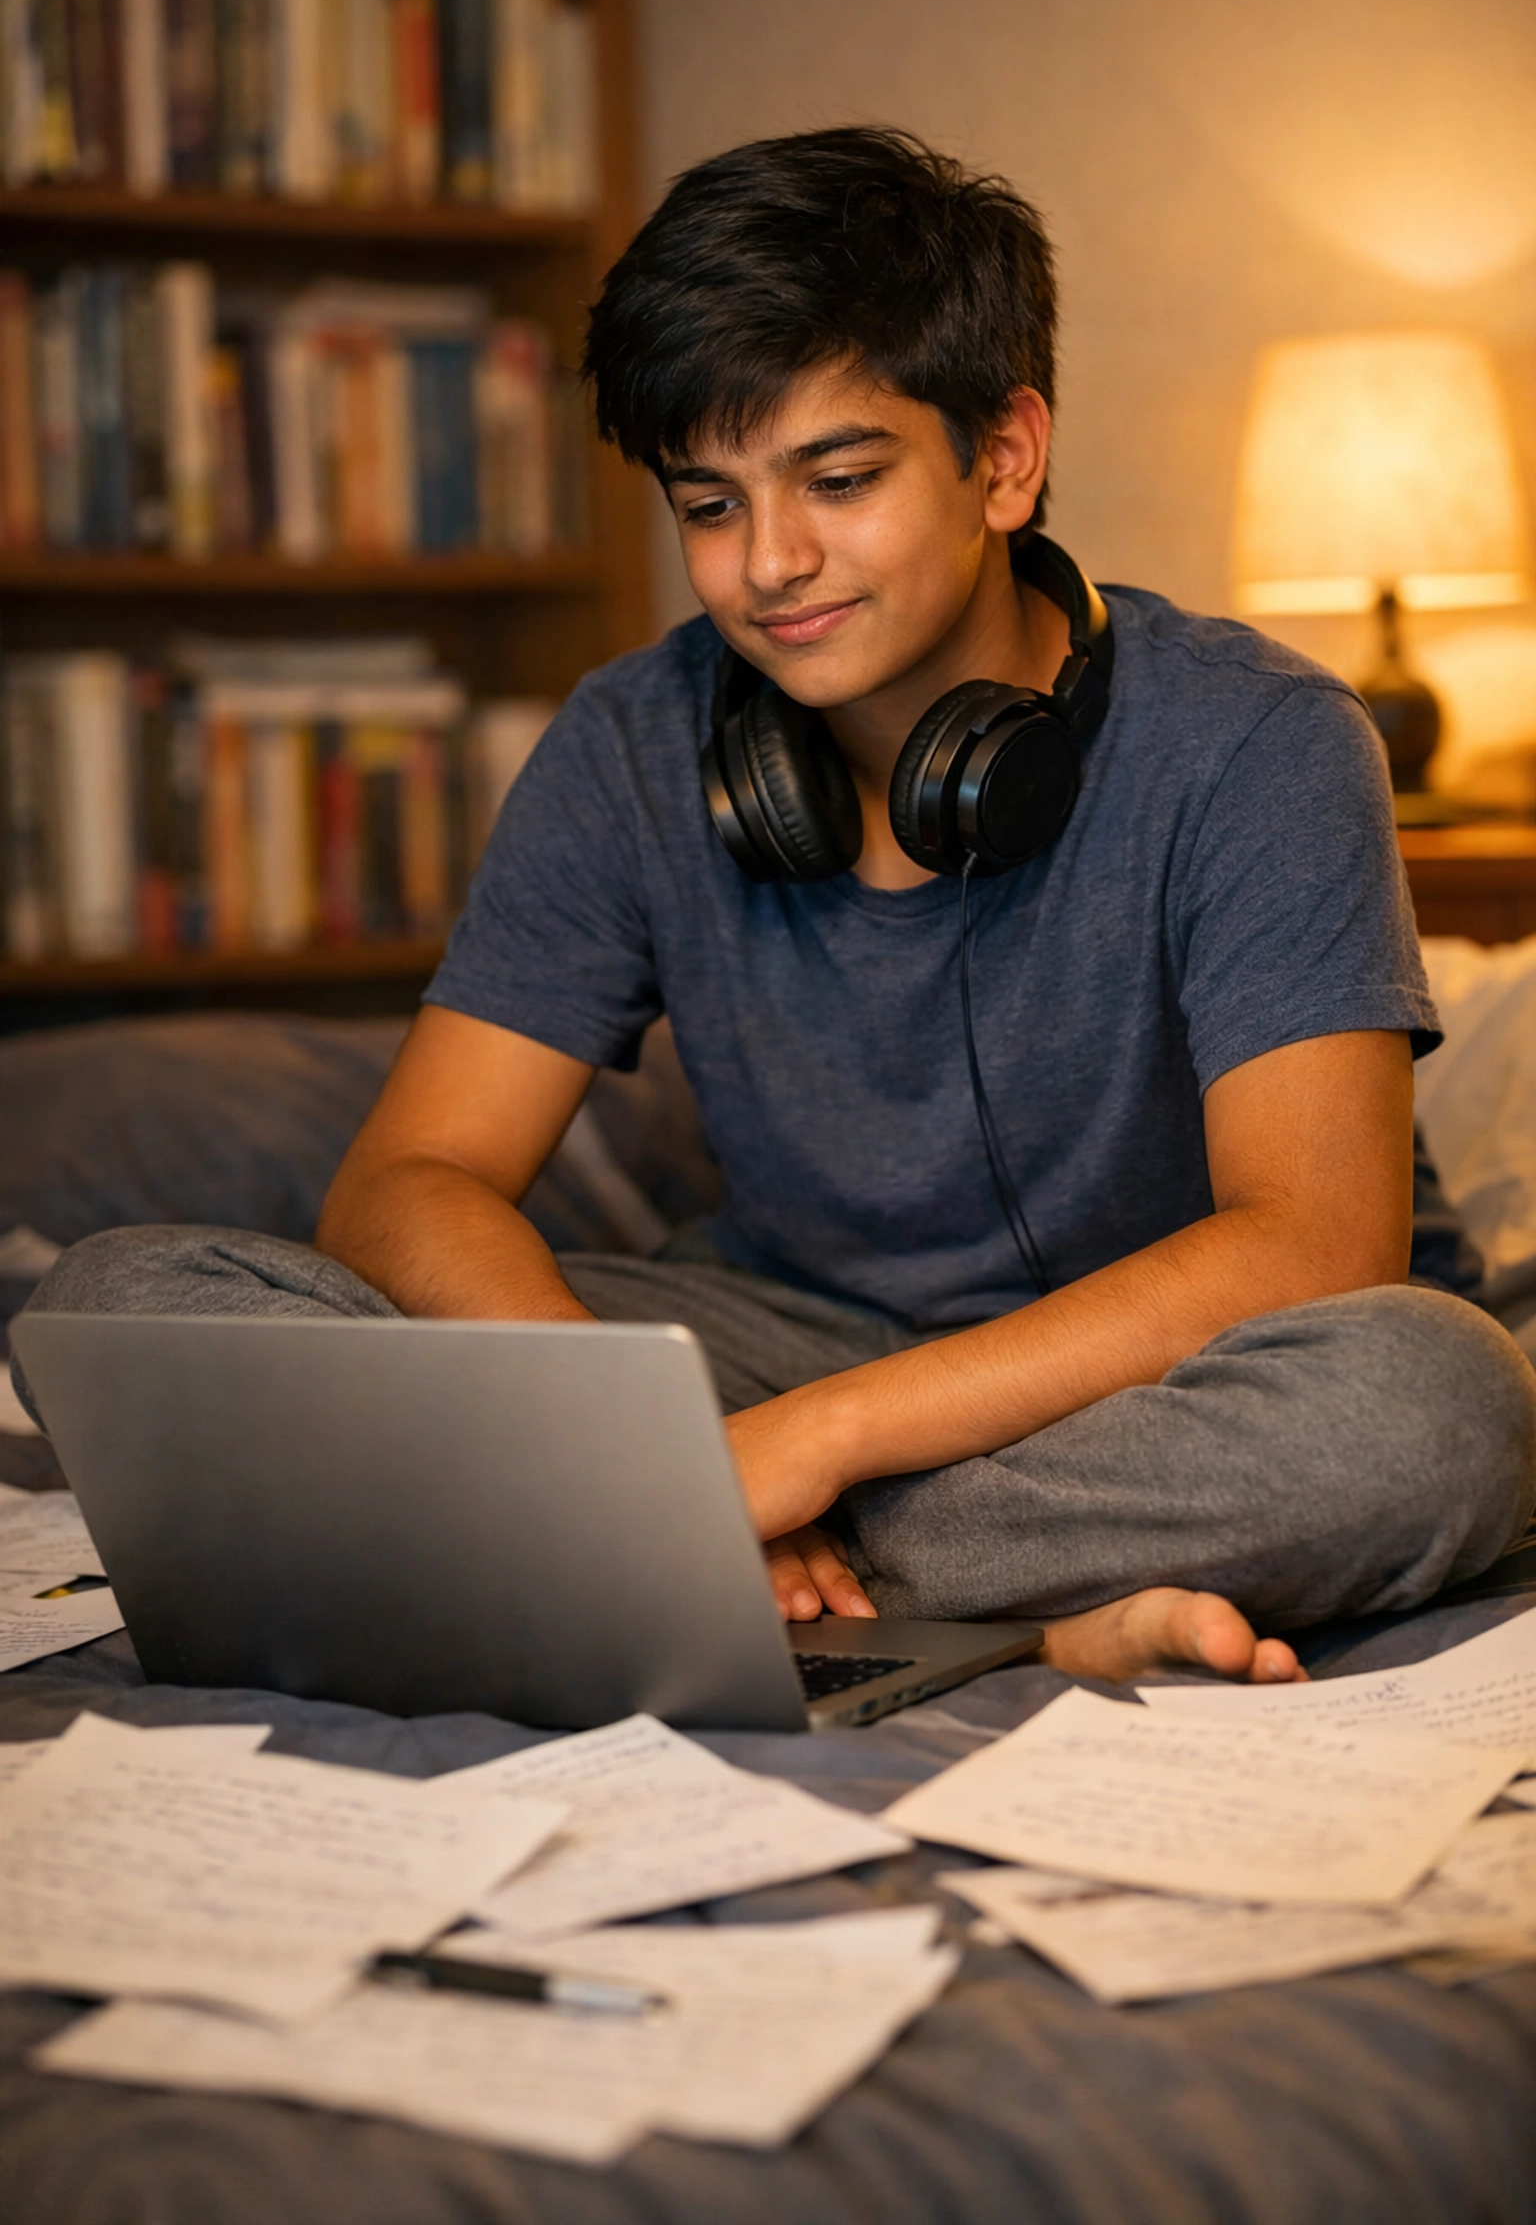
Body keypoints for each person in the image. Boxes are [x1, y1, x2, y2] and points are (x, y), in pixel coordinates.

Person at [18, 129, 1535, 1685]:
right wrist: (637, 1446)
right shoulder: (628, 738)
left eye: (840, 478)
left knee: (1429, 1410)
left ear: (1004, 457)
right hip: (764, 1342)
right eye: (712, 505)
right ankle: (937, 1593)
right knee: (123, 1300)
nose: (772, 567)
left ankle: (712, 1565)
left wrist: (815, 1448)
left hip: (1161, 1385)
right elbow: (414, 1172)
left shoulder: (1262, 737)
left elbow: (1313, 1240)